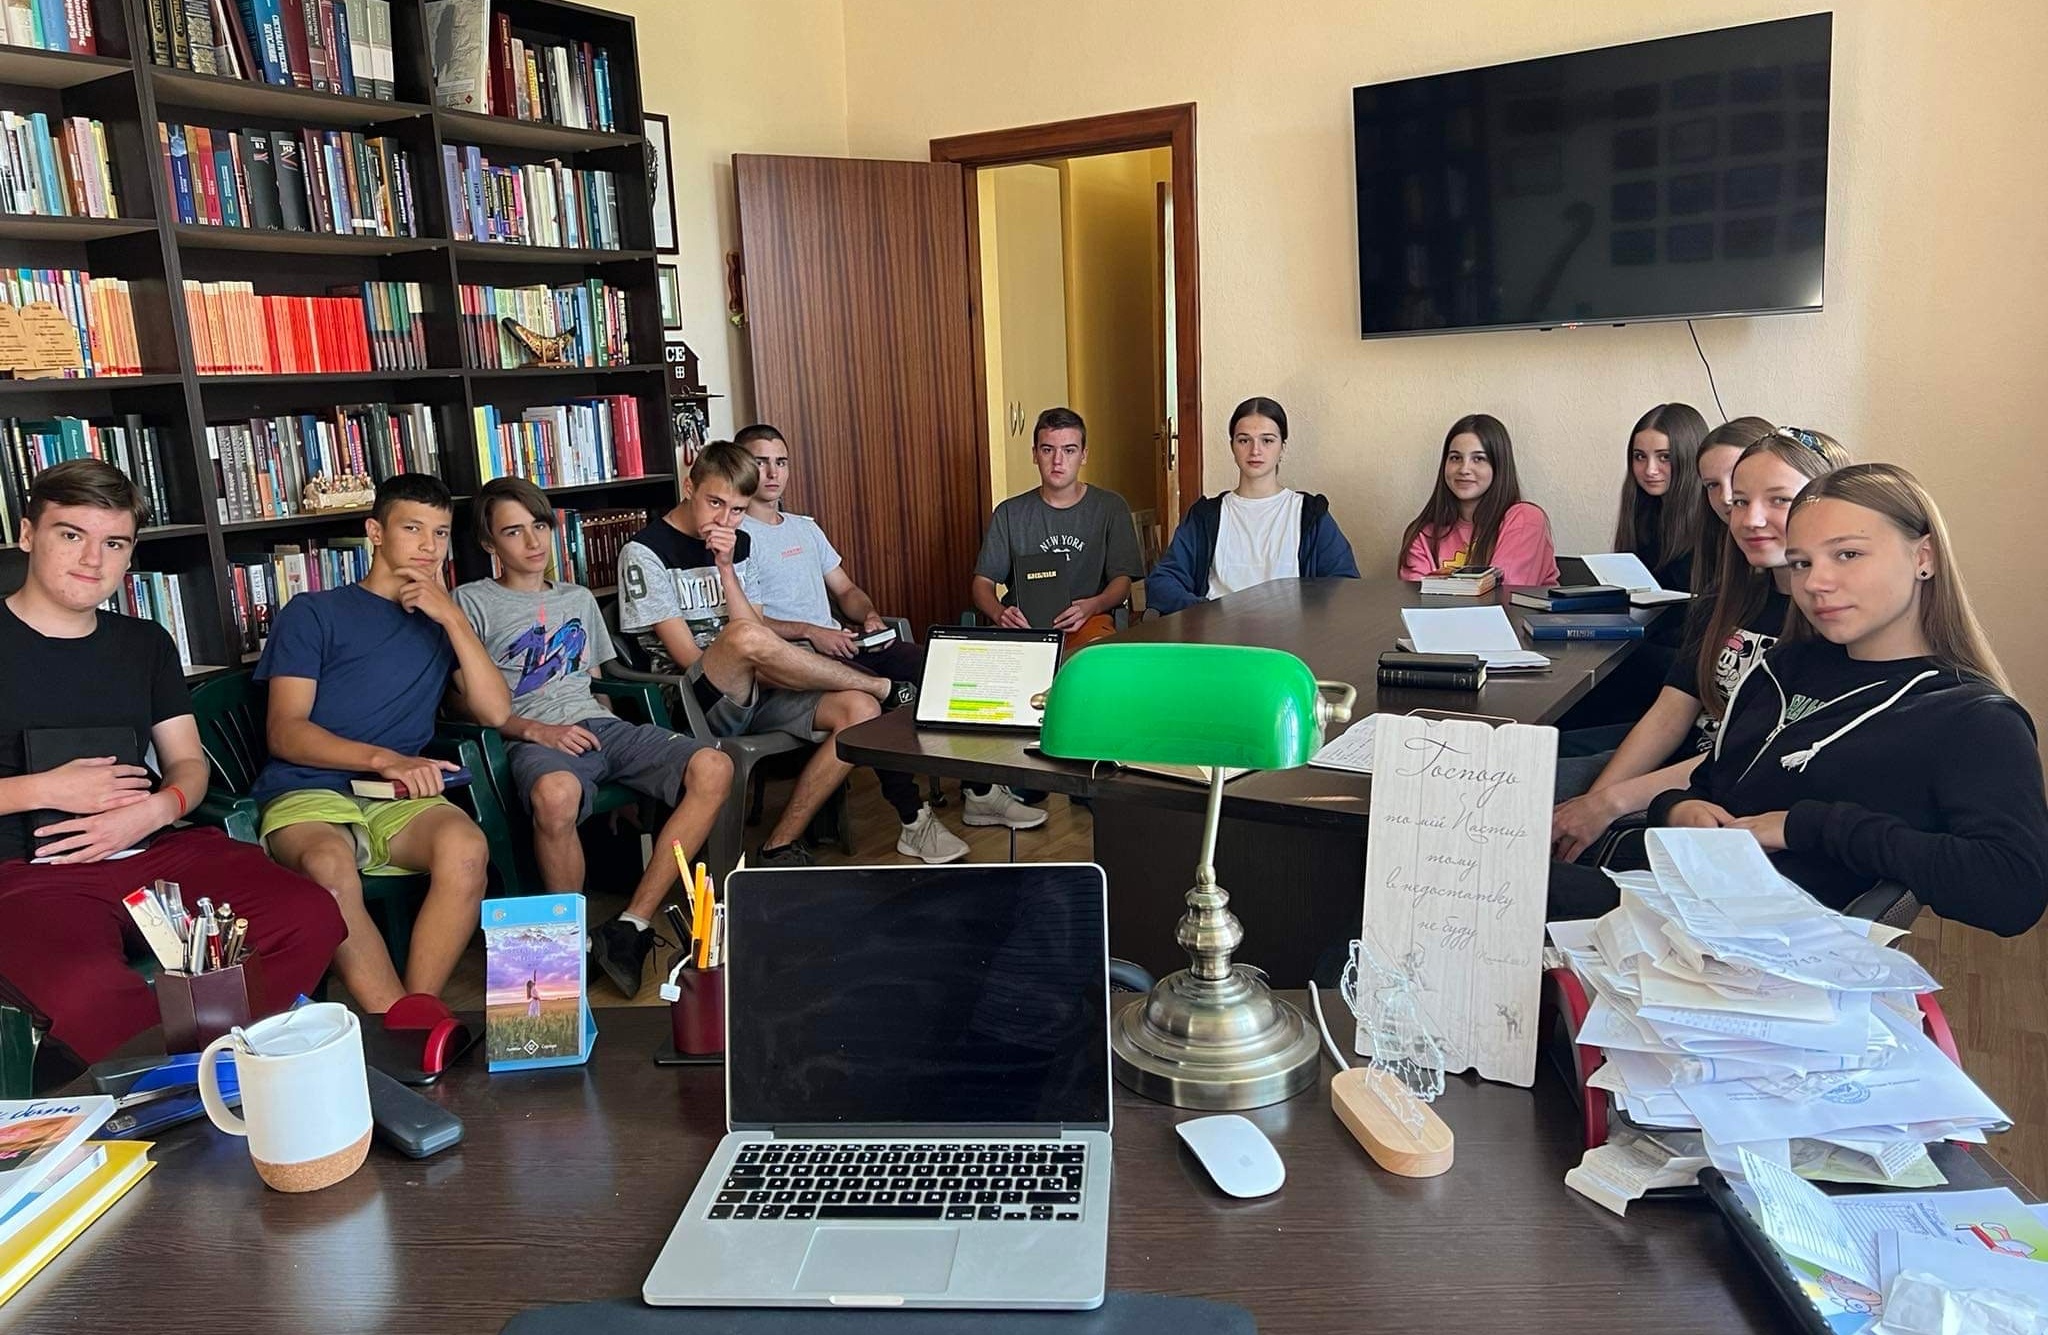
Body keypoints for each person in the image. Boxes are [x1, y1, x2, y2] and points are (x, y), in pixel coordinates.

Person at [1552, 463, 2048, 935]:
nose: (1816, 583)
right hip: (1672, 893)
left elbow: (2011, 893)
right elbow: (1706, 787)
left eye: (1847, 554)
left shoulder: (1971, 718)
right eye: (1801, 563)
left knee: (1501, 882)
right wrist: (1682, 811)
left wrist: (1806, 826)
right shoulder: (1783, 668)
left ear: (1924, 557)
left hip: (1758, 946)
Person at [0, 460, 346, 1081]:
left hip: (152, 852)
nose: (92, 559)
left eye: (114, 543)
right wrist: (47, 789)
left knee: (309, 915)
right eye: (70, 534)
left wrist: (155, 809)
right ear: (28, 534)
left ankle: (231, 1069)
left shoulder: (145, 643)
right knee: (88, 990)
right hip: (26, 873)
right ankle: (195, 1087)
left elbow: (187, 762)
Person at [455, 477, 736, 996]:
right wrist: (534, 729)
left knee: (714, 766)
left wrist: (620, 762)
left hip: (599, 727)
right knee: (556, 795)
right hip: (529, 738)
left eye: (539, 526)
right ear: (489, 544)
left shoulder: (578, 597)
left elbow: (598, 683)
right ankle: (571, 943)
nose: (533, 542)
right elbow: (463, 701)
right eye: (513, 532)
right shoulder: (470, 603)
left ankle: (632, 923)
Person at [252, 473, 511, 1014]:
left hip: (398, 798)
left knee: (467, 849)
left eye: (440, 533)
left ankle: (417, 1014)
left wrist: (456, 621)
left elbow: (495, 711)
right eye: (412, 528)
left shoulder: (442, 621)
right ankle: (398, 1023)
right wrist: (386, 759)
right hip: (309, 790)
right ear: (375, 531)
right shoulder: (314, 611)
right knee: (328, 864)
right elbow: (286, 731)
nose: (427, 545)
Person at [735, 424, 1043, 863]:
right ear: (740, 466)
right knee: (881, 700)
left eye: (780, 462)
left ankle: (979, 791)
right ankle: (913, 821)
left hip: (845, 641)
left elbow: (846, 590)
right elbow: (753, 624)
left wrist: (869, 614)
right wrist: (811, 631)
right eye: (759, 462)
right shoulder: (737, 534)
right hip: (800, 657)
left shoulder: (804, 528)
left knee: (945, 665)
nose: (772, 473)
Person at [617, 443, 918, 868]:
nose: (724, 520)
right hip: (693, 698)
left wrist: (724, 567)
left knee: (861, 710)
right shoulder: (646, 551)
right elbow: (688, 656)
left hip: (758, 685)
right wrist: (758, 651)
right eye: (715, 503)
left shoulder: (738, 544)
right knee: (742, 638)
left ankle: (780, 845)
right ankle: (882, 684)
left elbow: (755, 631)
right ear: (690, 487)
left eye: (737, 510)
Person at [1552, 424, 1848, 853]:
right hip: (1673, 771)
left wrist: (1609, 804)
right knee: (1522, 794)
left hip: (1721, 796)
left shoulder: (1834, 622)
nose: (1750, 519)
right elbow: (1669, 713)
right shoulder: (1726, 602)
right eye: (1739, 502)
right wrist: (1595, 800)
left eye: (1779, 500)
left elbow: (1751, 752)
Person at [1145, 397, 1360, 614]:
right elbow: (1162, 582)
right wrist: (1206, 612)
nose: (1255, 451)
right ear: (1232, 446)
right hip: (1217, 638)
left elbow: (1344, 586)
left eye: (1267, 440)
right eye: (1244, 440)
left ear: (1282, 448)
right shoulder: (1205, 516)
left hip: (1291, 638)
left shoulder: (1310, 514)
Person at [972, 407, 1144, 633]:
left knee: (1086, 664)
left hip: (1088, 622)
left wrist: (1094, 606)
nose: (1058, 460)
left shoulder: (1110, 507)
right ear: (1035, 454)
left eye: (1069, 450)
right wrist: (999, 613)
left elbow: (1122, 581)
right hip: (1024, 627)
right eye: (1047, 450)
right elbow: (982, 583)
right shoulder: (1008, 513)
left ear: (1084, 455)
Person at [1397, 413, 1559, 587]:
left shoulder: (1525, 518)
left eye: (1479, 459)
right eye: (1455, 458)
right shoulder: (1422, 533)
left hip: (1513, 615)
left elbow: (1504, 594)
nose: (1464, 469)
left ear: (1499, 467)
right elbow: (1416, 602)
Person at [1611, 403, 1710, 593]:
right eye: (1640, 457)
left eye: (1664, 457)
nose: (1650, 470)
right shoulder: (1640, 515)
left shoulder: (1714, 522)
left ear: (1689, 457)